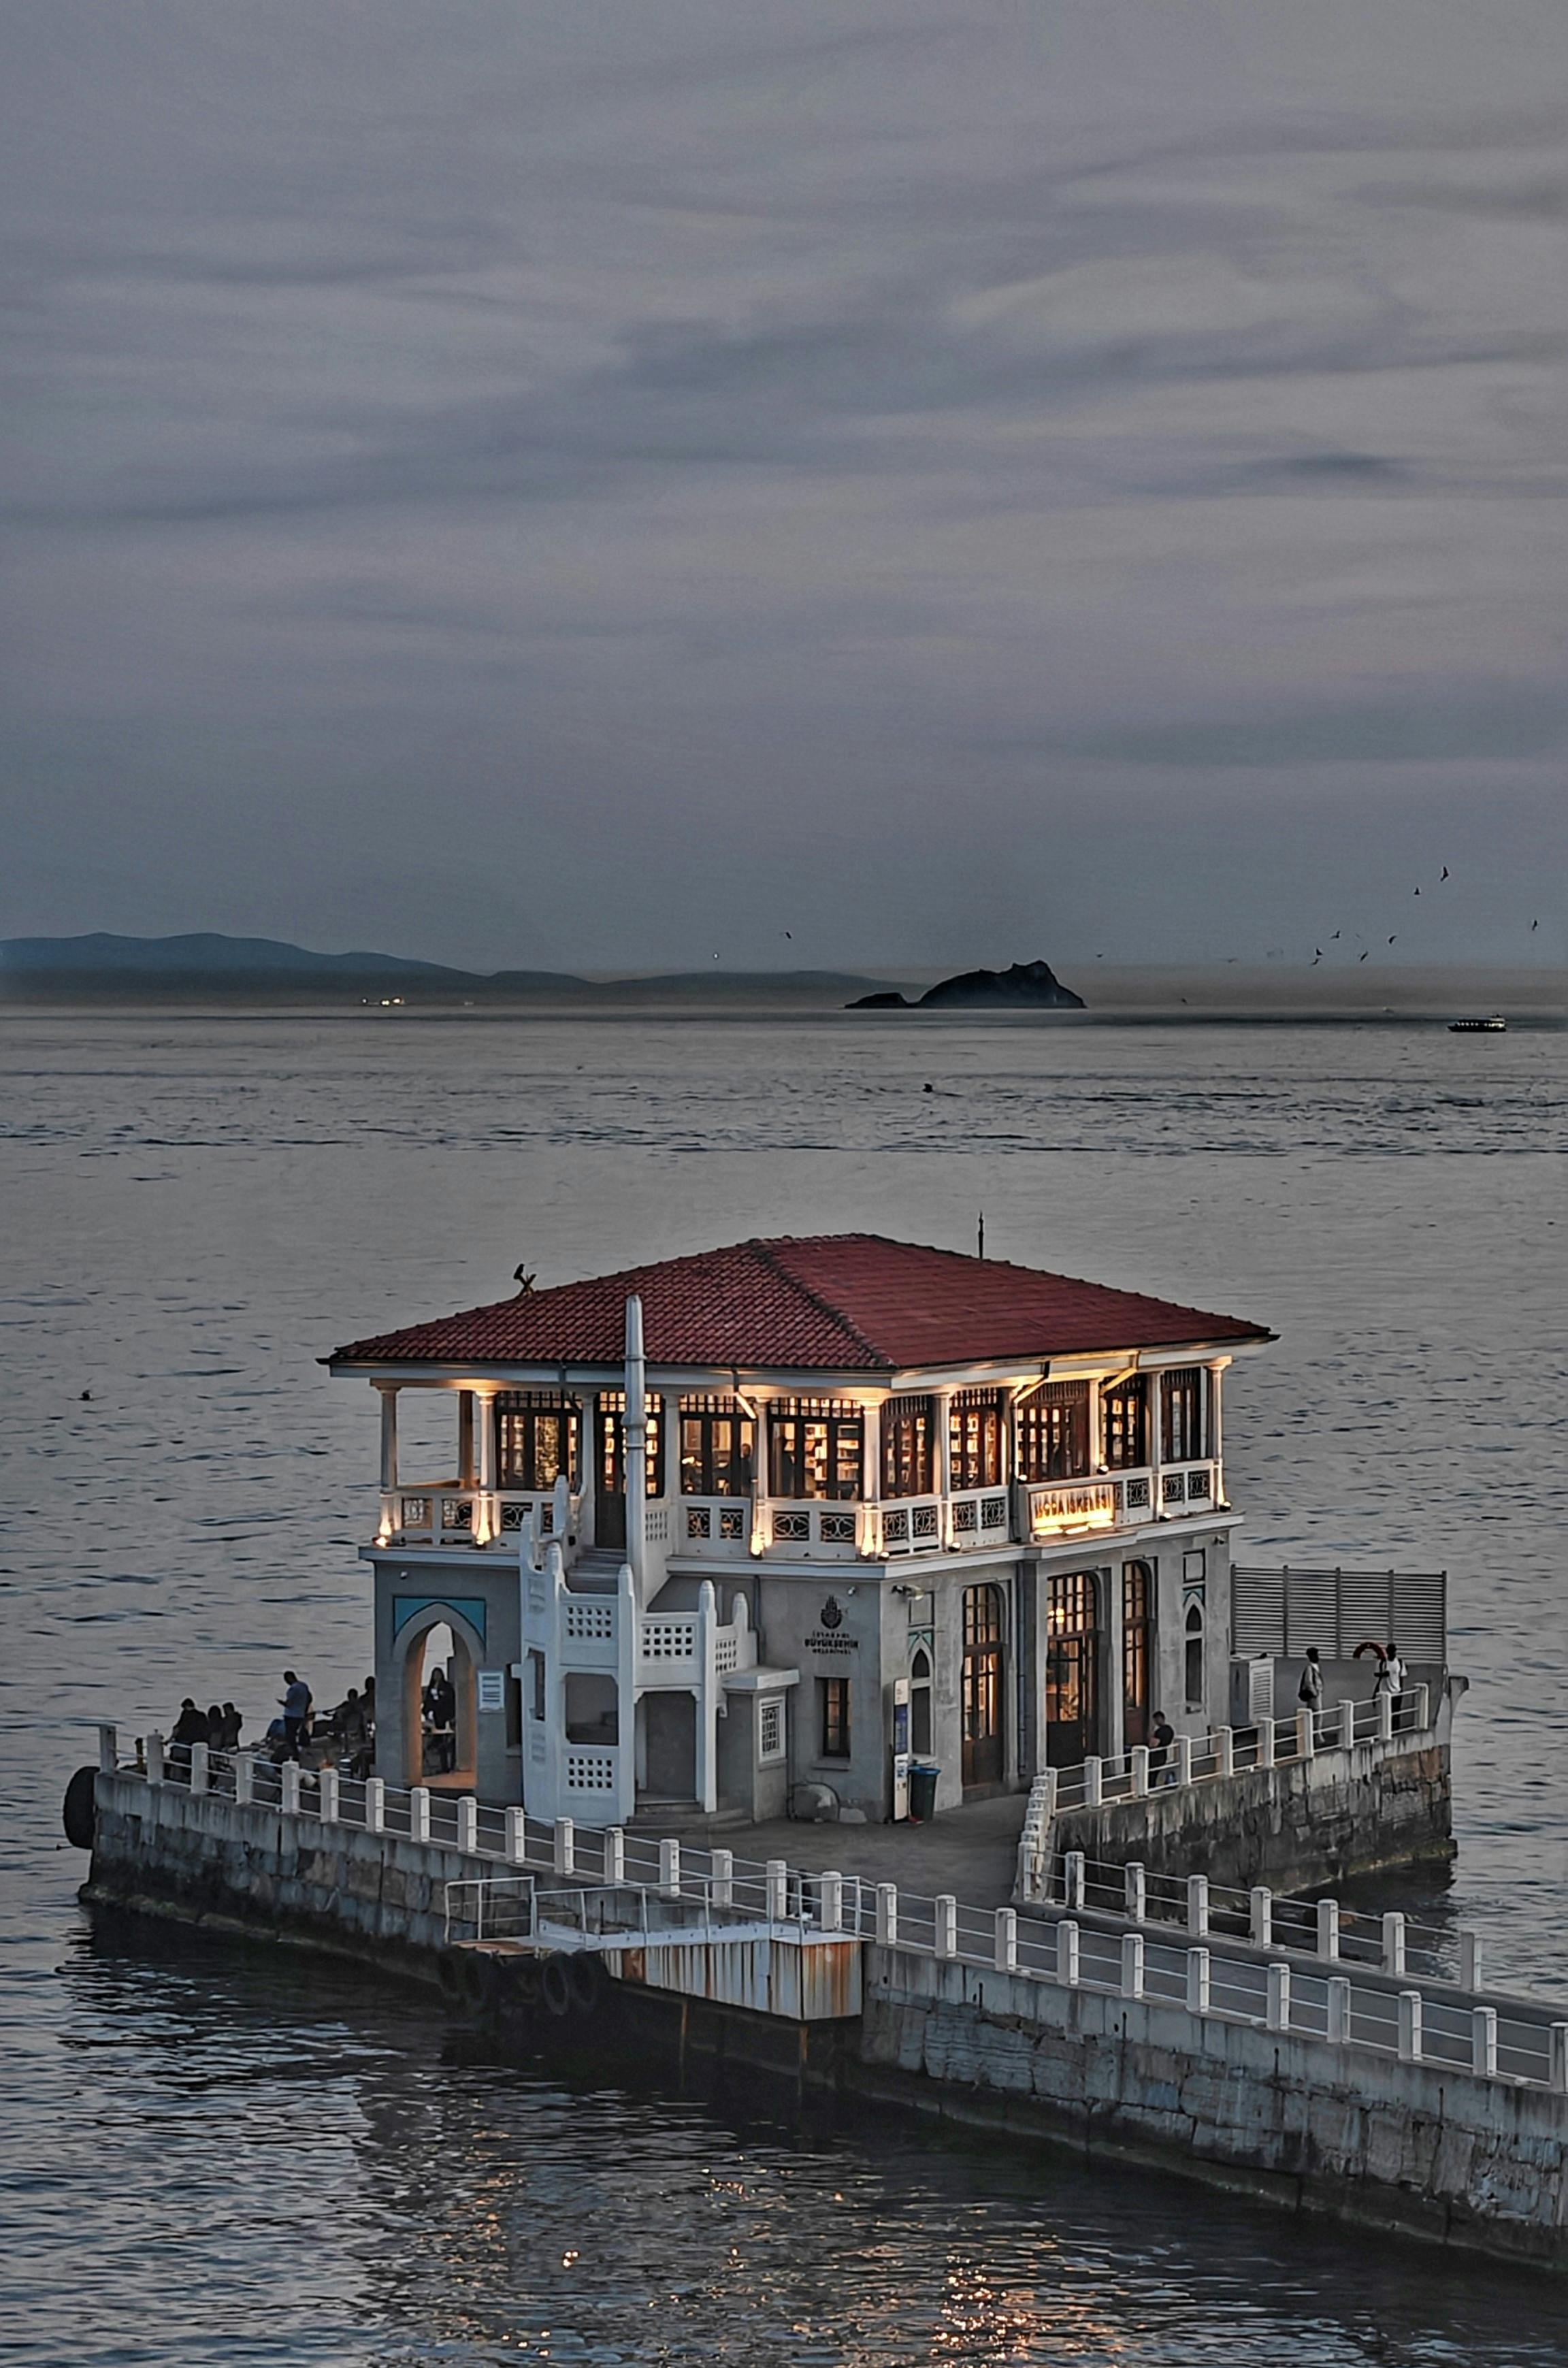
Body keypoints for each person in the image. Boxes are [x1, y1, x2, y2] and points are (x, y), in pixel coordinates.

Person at [278, 1668, 312, 1761]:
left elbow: (289, 1703)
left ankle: (294, 1754)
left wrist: (282, 1703)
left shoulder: (293, 1689)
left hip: (291, 1715)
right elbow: (309, 1698)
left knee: (290, 1736)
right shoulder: (304, 1686)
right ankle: (297, 1751)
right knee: (297, 1733)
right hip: (300, 1714)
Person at [1149, 1708, 1177, 1787]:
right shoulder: (1170, 1730)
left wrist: (1152, 1734)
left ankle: (1151, 1787)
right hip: (1165, 1756)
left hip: (1156, 1757)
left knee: (1152, 1775)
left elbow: (1153, 1744)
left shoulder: (1160, 1732)